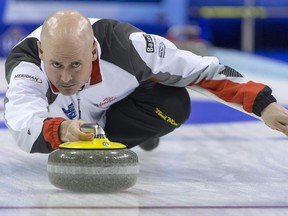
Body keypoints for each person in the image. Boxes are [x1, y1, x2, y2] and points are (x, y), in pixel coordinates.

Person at [4, 10, 288, 154]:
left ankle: (136, 136)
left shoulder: (130, 46)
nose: (65, 77)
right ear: (41, 53)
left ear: (93, 50)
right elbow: (21, 117)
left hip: (125, 104)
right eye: (56, 65)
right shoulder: (25, 64)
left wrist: (264, 104)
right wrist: (63, 131)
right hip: (62, 122)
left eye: (76, 65)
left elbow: (202, 71)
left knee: (174, 103)